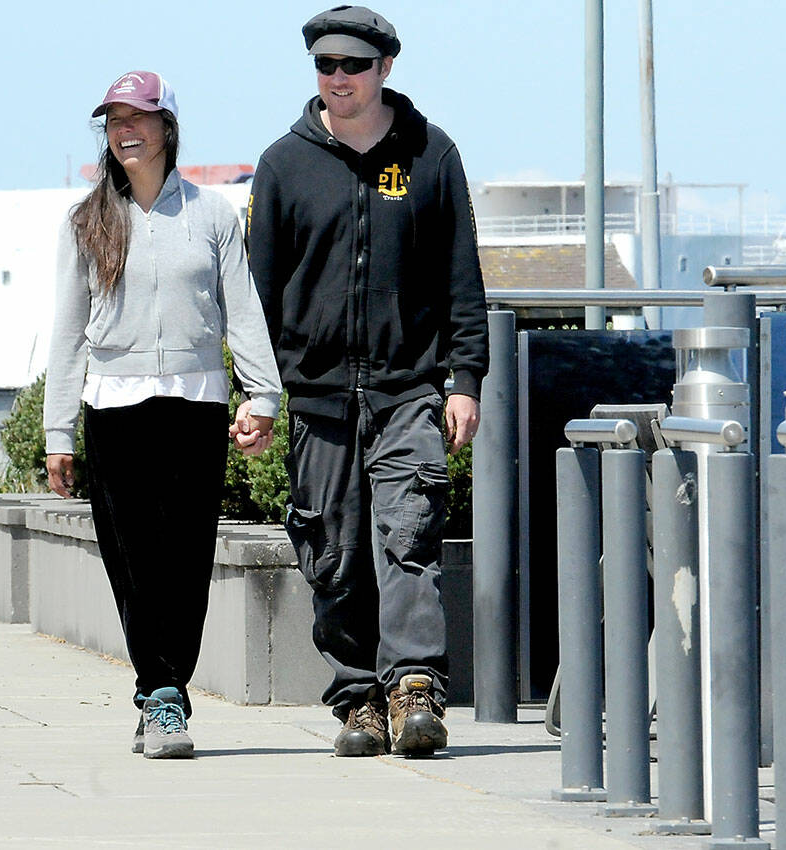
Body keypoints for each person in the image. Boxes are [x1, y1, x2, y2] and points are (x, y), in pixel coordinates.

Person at [239, 5, 488, 758]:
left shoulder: (431, 155)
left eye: (354, 65)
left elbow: (462, 282)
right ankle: (359, 698)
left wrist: (465, 378)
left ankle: (415, 687)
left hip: (407, 388)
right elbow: (257, 292)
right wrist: (258, 393)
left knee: (407, 537)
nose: (339, 79)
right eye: (326, 66)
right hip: (316, 399)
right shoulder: (285, 163)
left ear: (385, 69)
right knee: (335, 555)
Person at [44, 71, 282, 759]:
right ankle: (163, 691)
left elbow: (244, 307)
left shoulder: (211, 216)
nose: (126, 130)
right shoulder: (87, 221)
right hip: (113, 406)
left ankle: (163, 691)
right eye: (115, 120)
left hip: (195, 403)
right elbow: (67, 332)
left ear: (167, 128)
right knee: (133, 563)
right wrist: (59, 431)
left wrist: (261, 395)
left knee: (185, 559)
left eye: (139, 118)